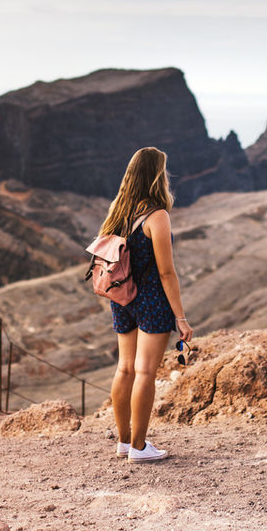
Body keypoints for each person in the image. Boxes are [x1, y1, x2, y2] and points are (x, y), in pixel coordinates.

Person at [102, 146, 193, 462]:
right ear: (157, 176)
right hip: (152, 301)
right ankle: (139, 448)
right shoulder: (157, 216)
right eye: (164, 171)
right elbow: (167, 272)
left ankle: (124, 442)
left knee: (124, 368)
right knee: (144, 373)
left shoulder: (119, 211)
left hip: (122, 299)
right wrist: (180, 318)